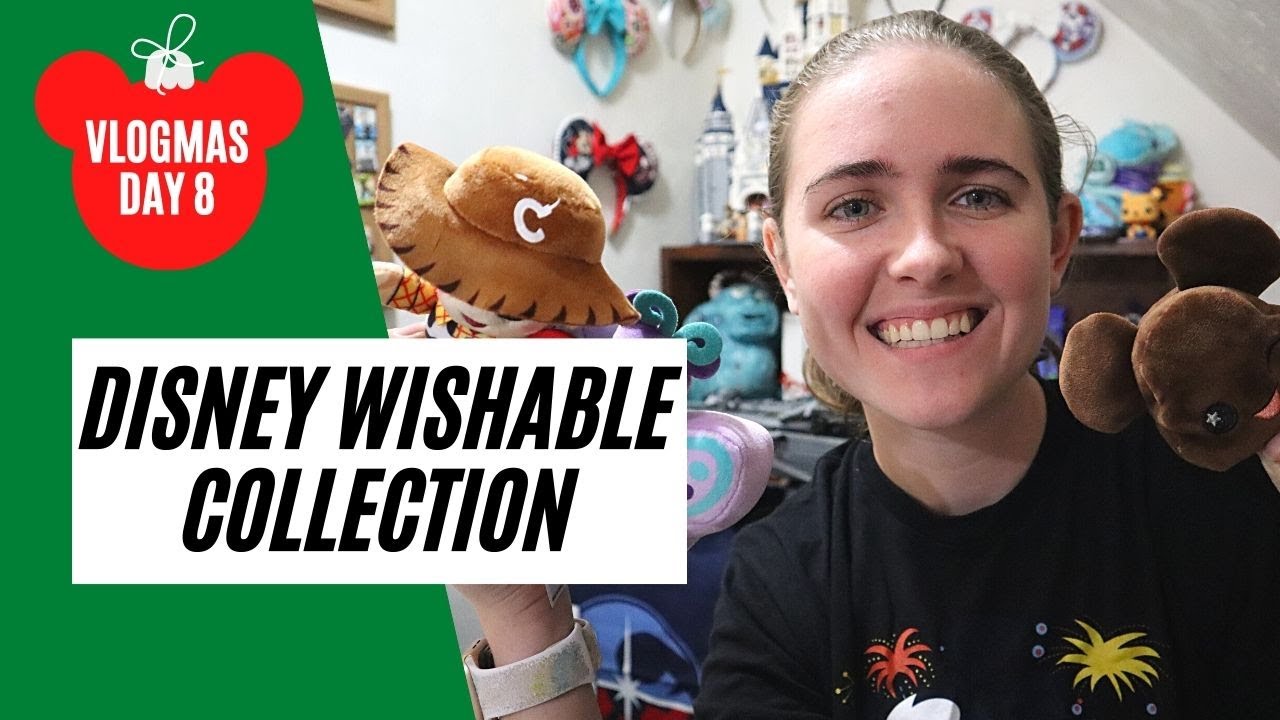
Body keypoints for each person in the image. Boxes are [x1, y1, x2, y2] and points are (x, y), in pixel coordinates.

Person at [454, 10, 1280, 719]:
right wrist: (522, 606)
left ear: (1058, 240)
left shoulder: (1217, 483)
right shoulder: (779, 580)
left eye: (979, 195)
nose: (925, 254)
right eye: (853, 206)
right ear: (782, 263)